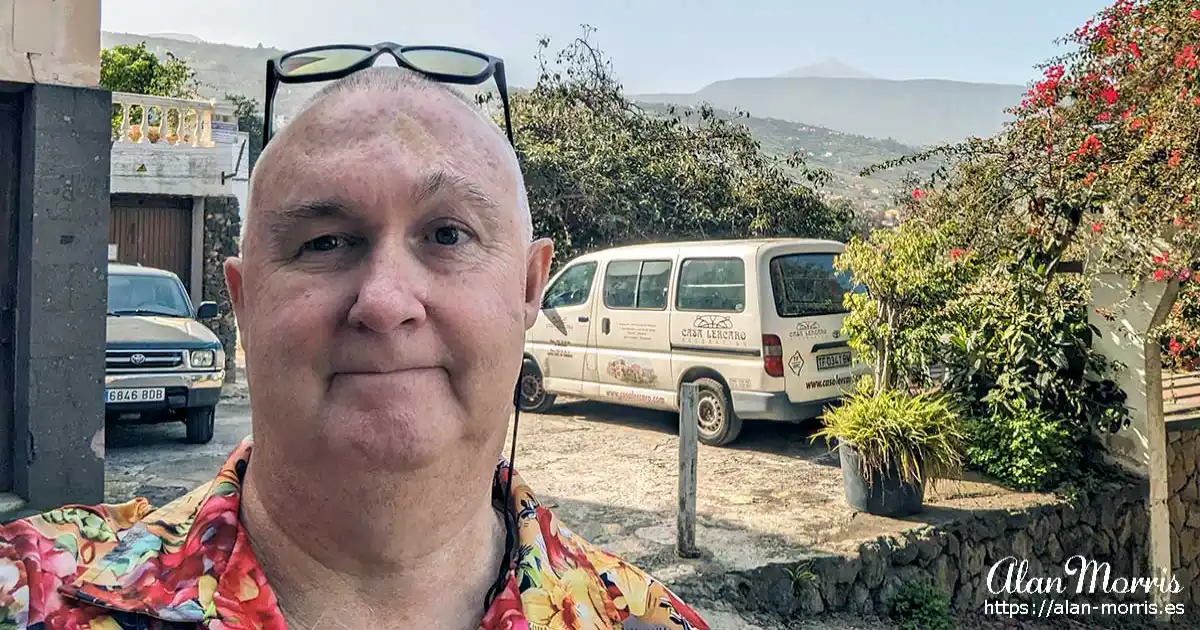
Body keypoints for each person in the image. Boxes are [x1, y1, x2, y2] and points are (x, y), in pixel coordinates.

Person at [0, 67, 710, 630]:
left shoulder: (647, 621)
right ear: (244, 305)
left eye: (447, 235)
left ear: (530, 287)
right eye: (325, 242)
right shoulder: (29, 593)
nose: (385, 301)